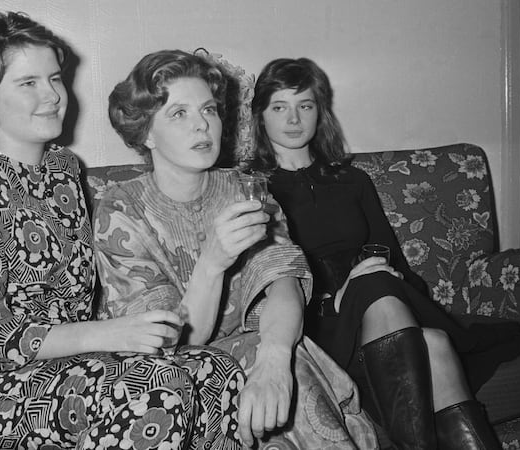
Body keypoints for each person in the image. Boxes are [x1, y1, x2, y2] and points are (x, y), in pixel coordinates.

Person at [0, 13, 245, 449]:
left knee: (216, 371)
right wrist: (106, 334)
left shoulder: (63, 168)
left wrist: (128, 330)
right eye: (29, 83)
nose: (53, 95)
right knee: (157, 385)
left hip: (63, 364)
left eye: (55, 78)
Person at [95, 49, 380, 449]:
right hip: (172, 382)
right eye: (179, 113)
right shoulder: (121, 209)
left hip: (263, 351)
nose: (202, 124)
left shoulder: (243, 188)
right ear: (146, 133)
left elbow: (284, 283)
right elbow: (175, 342)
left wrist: (275, 359)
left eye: (209, 110)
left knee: (291, 368)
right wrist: (212, 263)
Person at [248, 57, 520, 449]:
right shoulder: (254, 189)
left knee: (426, 335)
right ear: (260, 116)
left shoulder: (352, 179)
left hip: (380, 304)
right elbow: (261, 282)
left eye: (304, 105)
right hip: (314, 318)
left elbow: (394, 260)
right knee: (433, 341)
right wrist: (337, 297)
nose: (294, 119)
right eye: (279, 107)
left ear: (319, 111)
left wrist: (384, 278)